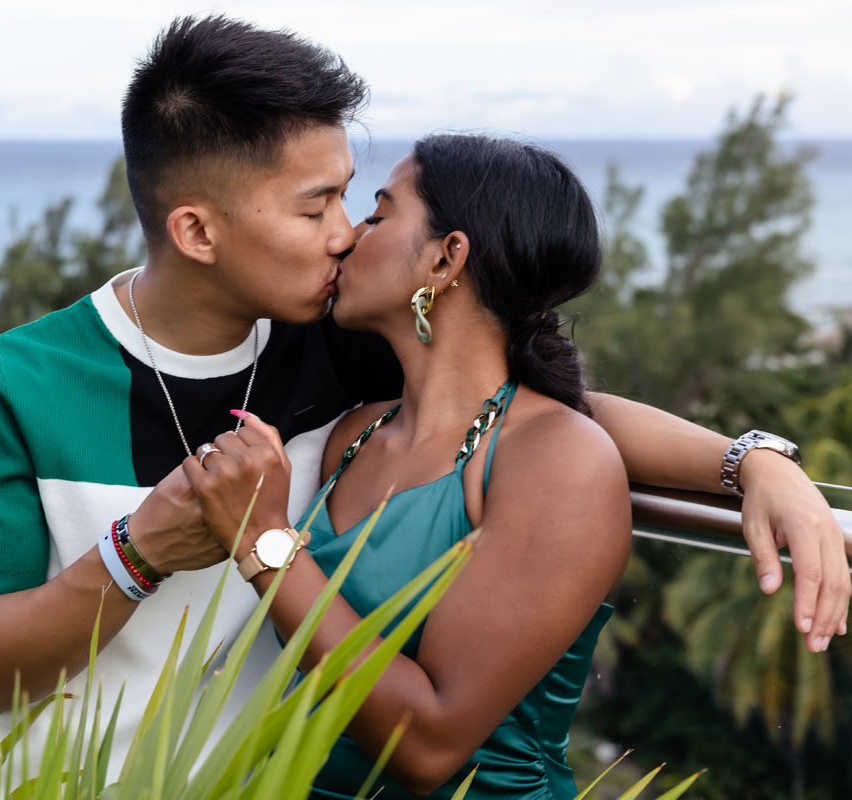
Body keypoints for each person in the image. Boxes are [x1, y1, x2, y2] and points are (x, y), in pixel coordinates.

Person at [0, 14, 849, 773]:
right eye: (315, 207)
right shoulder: (8, 386)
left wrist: (751, 461)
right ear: (197, 231)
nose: (345, 233)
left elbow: (542, 415)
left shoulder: (340, 353)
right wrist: (139, 553)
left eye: (358, 201)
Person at [182, 134, 631, 797]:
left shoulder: (559, 460)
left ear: (446, 259)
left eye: (379, 213)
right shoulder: (356, 434)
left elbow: (428, 746)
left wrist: (261, 542)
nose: (347, 237)